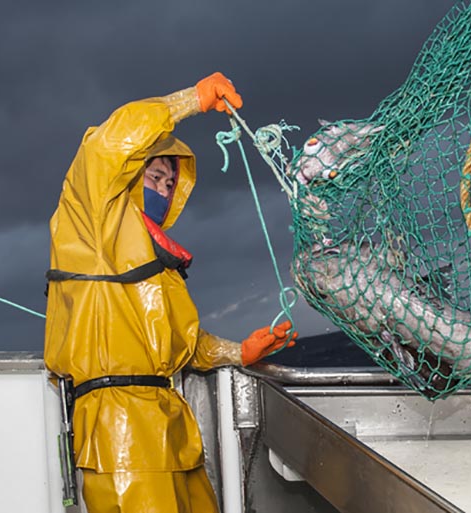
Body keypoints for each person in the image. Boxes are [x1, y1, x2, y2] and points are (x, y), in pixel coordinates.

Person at [44, 72, 296, 513]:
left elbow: (183, 345)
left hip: (172, 428)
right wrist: (190, 101)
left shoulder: (158, 263)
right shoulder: (93, 227)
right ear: (124, 178)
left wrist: (240, 353)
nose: (162, 188)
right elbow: (106, 145)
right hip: (119, 434)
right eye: (153, 176)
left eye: (168, 183)